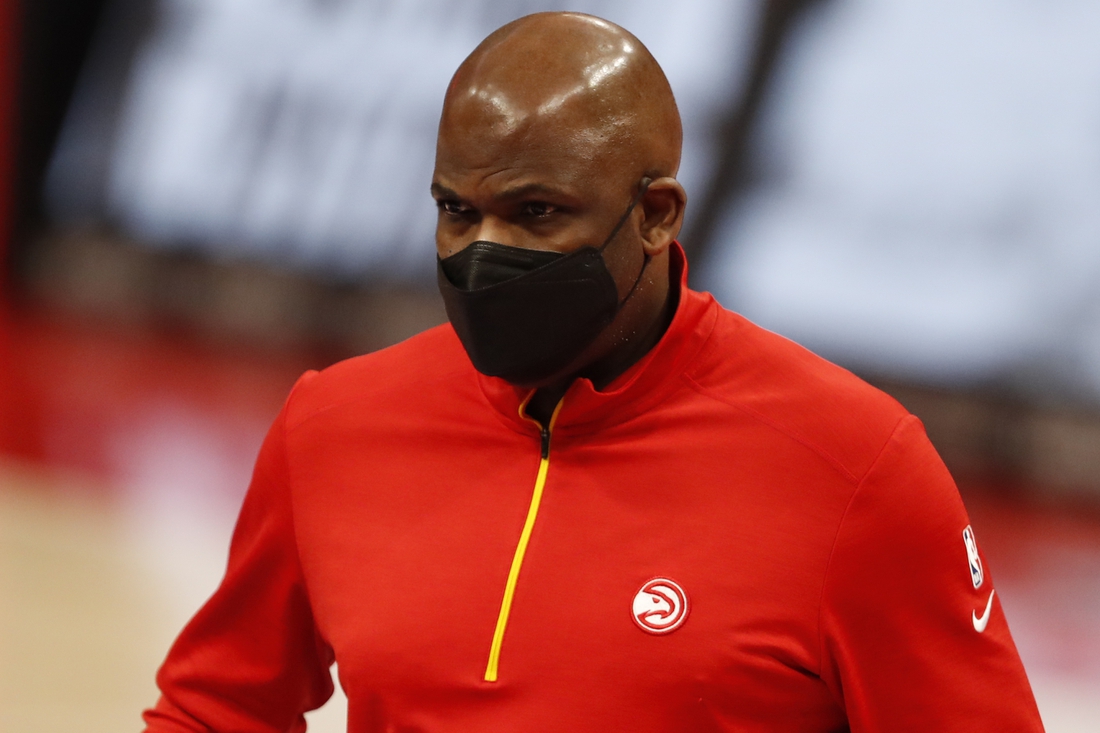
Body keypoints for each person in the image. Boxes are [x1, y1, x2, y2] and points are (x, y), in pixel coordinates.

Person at [143, 12, 1044, 732]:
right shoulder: (334, 424)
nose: (484, 253)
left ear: (656, 215)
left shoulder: (856, 467)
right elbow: (219, 708)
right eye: (458, 210)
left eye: (537, 213)